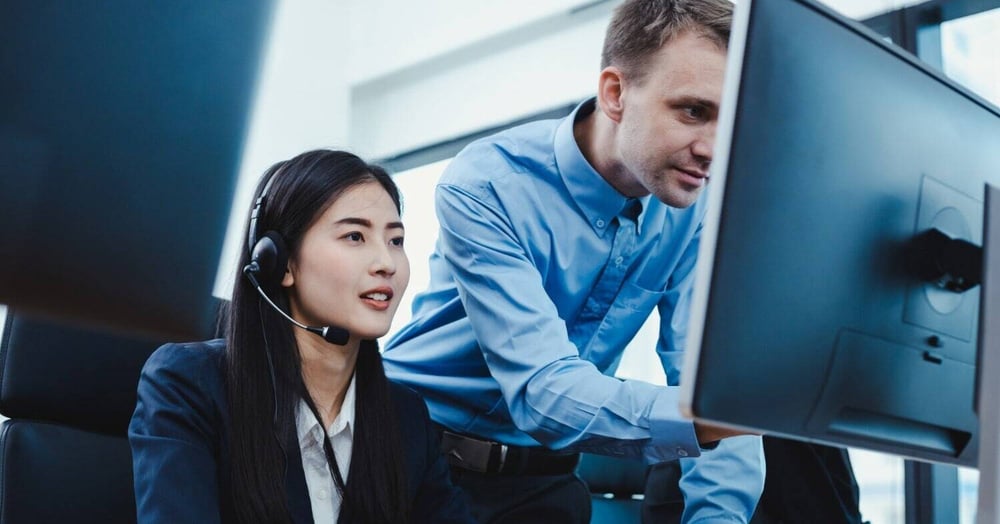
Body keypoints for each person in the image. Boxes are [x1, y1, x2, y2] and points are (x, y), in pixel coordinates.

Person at [381, 0, 764, 522]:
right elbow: (542, 391)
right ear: (615, 94)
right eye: (694, 111)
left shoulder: (692, 213)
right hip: (409, 460)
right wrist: (704, 417)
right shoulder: (487, 184)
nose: (715, 149)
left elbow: (715, 387)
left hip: (546, 479)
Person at [129, 149, 474, 523]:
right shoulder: (191, 383)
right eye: (355, 236)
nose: (386, 263)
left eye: (395, 241)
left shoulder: (406, 419)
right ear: (281, 262)